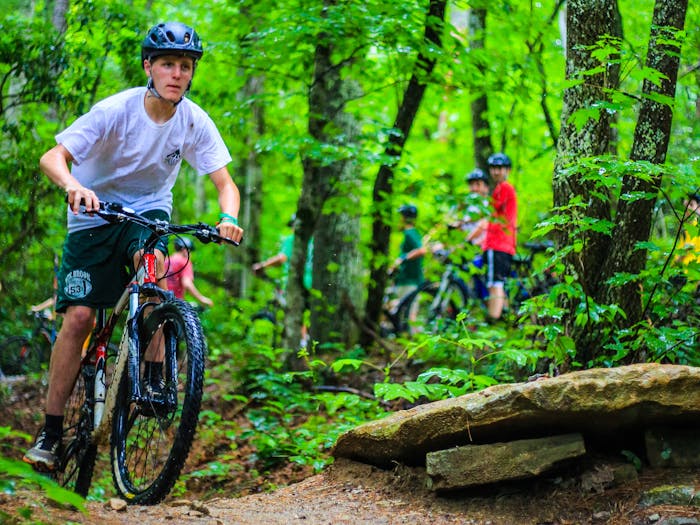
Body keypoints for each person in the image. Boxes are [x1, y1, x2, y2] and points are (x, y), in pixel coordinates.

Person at [23, 21, 244, 472]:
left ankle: (153, 379)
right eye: (168, 64)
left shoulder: (193, 120)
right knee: (80, 317)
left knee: (154, 272)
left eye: (185, 66)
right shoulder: (115, 111)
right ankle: (50, 430)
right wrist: (73, 186)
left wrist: (229, 219)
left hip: (147, 212)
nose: (177, 74)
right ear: (149, 67)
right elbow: (52, 157)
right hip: (93, 215)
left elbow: (226, 184)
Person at [481, 152, 517, 321]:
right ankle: (505, 320)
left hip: (498, 244)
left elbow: (491, 215)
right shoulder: (500, 189)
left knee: (495, 285)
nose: (496, 172)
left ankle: (493, 321)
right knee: (499, 284)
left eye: (500, 168)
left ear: (507, 170)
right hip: (503, 245)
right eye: (493, 168)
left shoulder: (504, 188)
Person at [389, 205, 427, 329]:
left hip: (410, 280)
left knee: (409, 313)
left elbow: (422, 250)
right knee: (403, 310)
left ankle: (412, 336)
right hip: (404, 279)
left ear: (404, 218)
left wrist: (402, 259)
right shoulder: (409, 233)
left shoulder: (410, 232)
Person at [166, 237, 214, 307]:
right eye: (190, 251)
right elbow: (187, 283)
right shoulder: (184, 262)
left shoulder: (166, 260)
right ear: (184, 250)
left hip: (160, 302)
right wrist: (201, 299)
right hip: (175, 304)